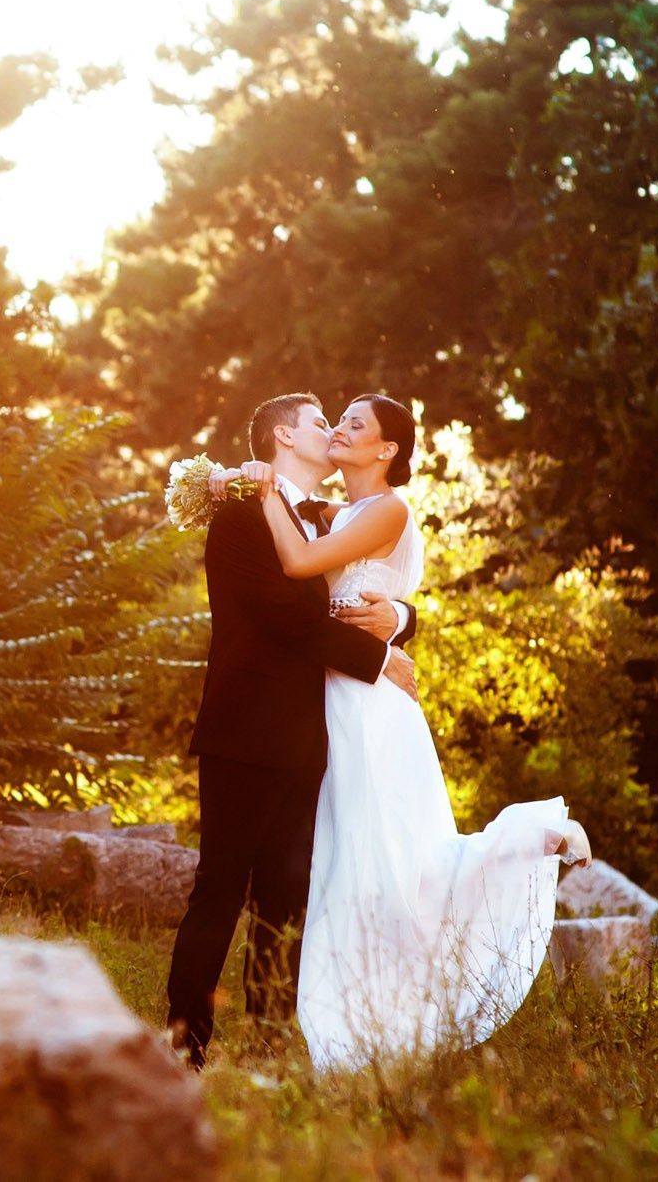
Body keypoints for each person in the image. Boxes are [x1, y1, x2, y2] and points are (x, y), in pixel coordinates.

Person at [234, 394, 589, 1072]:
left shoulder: (389, 506)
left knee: (396, 857)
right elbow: (333, 588)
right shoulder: (336, 512)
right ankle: (338, 1003)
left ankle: (527, 842)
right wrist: (397, 618)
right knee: (344, 858)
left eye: (355, 424)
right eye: (334, 420)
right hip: (330, 697)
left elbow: (304, 568)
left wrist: (267, 488)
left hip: (368, 707)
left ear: (387, 450)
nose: (339, 429)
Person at [164, 393, 420, 1069]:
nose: (331, 428)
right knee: (219, 891)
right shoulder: (242, 516)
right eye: (318, 421)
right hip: (244, 734)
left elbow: (367, 581)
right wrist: (379, 657)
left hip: (307, 742)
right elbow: (288, 617)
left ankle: (269, 1050)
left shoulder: (316, 520)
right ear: (283, 436)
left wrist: (398, 619)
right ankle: (182, 1046)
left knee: (285, 902)